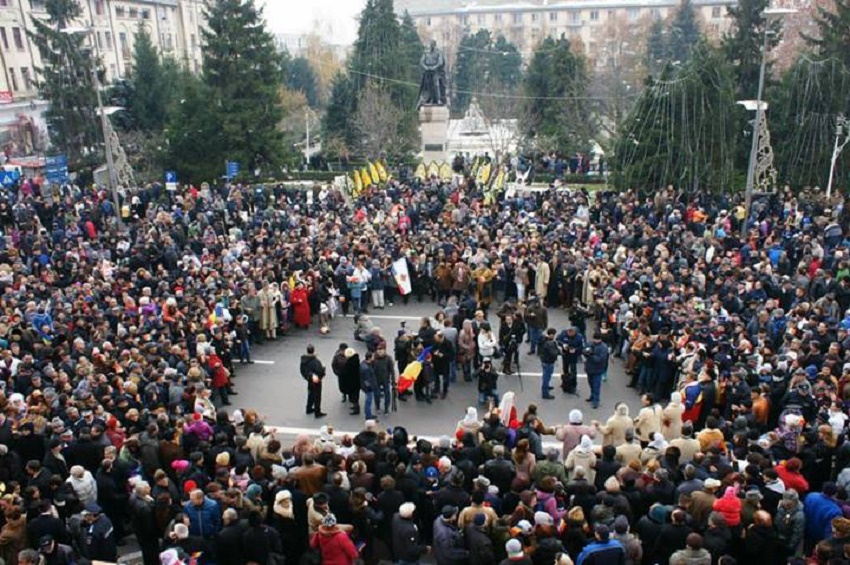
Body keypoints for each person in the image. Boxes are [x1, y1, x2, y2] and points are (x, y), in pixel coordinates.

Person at [583, 332, 610, 409]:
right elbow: (584, 350)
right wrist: (585, 352)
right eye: (594, 339)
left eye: (597, 339)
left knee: (596, 386)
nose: (595, 340)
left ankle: (596, 401)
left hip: (598, 369)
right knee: (591, 384)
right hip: (589, 368)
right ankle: (592, 396)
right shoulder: (589, 344)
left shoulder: (603, 347)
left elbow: (600, 359)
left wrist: (590, 356)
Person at [300, 344, 327, 419]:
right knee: (317, 396)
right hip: (316, 380)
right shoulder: (316, 361)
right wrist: (323, 371)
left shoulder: (303, 360)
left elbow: (302, 371)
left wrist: (307, 377)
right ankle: (317, 412)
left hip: (309, 379)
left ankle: (308, 408)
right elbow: (320, 371)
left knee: (310, 394)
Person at [539, 328, 560, 400]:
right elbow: (553, 353)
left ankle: (547, 387)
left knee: (545, 375)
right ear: (551, 334)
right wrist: (559, 351)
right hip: (549, 361)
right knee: (547, 377)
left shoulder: (543, 340)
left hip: (544, 360)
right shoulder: (549, 343)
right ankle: (545, 393)